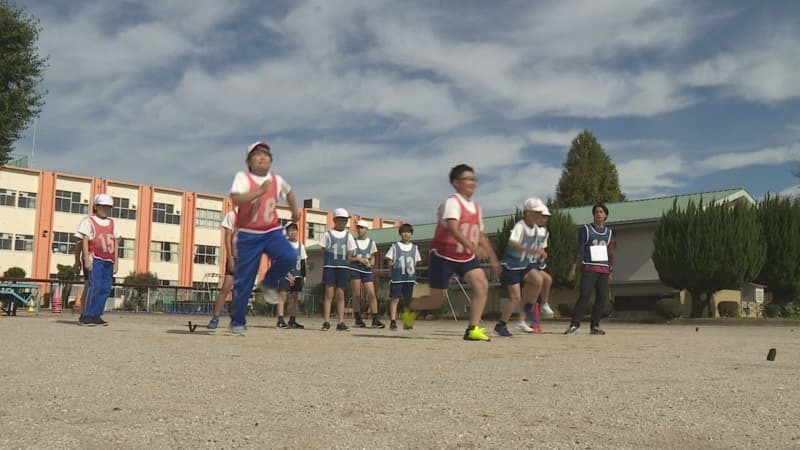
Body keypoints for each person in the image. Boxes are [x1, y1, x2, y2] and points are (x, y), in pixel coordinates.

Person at [402, 164, 501, 341]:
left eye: (474, 179)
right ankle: (411, 307)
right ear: (456, 183)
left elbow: (481, 235)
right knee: (436, 300)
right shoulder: (452, 202)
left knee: (482, 284)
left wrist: (493, 259)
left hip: (465, 257)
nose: (473, 182)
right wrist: (473, 247)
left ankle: (472, 329)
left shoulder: (477, 209)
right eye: (468, 179)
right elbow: (454, 229)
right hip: (443, 256)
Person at [228, 141, 300, 335]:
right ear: (249, 161)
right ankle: (238, 321)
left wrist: (295, 210)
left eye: (266, 154)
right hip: (248, 235)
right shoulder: (243, 178)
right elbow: (236, 199)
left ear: (271, 160)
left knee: (289, 256)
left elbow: (290, 192)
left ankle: (268, 282)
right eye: (257, 155)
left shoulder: (277, 179)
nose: (262, 157)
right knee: (244, 280)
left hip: (271, 231)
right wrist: (259, 191)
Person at [494, 198, 551, 337]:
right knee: (515, 298)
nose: (539, 215)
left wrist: (541, 252)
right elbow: (513, 243)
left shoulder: (538, 229)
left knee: (539, 280)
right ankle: (501, 325)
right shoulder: (520, 226)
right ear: (527, 213)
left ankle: (528, 309)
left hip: (524, 265)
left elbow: (539, 245)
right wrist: (532, 251)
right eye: (536, 212)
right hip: (511, 266)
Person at [564, 203, 614, 335]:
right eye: (596, 212)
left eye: (601, 212)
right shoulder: (586, 229)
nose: (599, 214)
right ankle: (575, 325)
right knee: (585, 295)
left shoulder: (609, 232)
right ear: (593, 214)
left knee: (601, 298)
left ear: (606, 215)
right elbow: (579, 249)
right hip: (589, 267)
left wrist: (610, 270)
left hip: (603, 269)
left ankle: (595, 326)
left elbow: (610, 253)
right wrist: (574, 267)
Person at [76, 193, 120, 326]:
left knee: (105, 288)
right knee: (94, 286)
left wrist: (116, 262)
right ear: (96, 206)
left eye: (108, 207)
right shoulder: (88, 221)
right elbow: (84, 241)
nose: (106, 209)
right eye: (103, 206)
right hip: (95, 258)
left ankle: (97, 314)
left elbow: (116, 243)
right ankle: (86, 315)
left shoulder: (112, 223)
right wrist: (85, 260)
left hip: (108, 260)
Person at [320, 208, 356, 331]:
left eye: (344, 220)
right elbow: (323, 249)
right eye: (339, 219)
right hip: (330, 266)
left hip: (343, 267)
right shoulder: (327, 234)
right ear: (334, 220)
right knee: (329, 294)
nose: (342, 222)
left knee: (341, 294)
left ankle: (341, 321)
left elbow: (351, 252)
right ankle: (326, 321)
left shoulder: (349, 236)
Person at [385, 223, 421, 330]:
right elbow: (389, 259)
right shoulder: (395, 246)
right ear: (400, 234)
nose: (406, 234)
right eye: (404, 232)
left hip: (409, 278)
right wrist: (390, 270)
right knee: (395, 299)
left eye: (408, 232)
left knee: (408, 300)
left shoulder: (415, 248)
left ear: (411, 234)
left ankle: (408, 321)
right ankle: (393, 321)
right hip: (397, 278)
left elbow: (416, 262)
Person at [349, 219, 384, 328]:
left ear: (366, 229)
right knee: (357, 294)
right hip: (355, 269)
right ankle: (358, 318)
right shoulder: (353, 242)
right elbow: (349, 257)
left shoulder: (371, 242)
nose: (359, 230)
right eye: (358, 227)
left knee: (372, 294)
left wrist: (371, 263)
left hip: (366, 270)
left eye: (361, 228)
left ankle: (375, 319)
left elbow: (373, 257)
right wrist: (359, 259)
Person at [207, 210, 236, 329]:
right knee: (225, 288)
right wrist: (230, 258)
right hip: (235, 257)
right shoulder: (232, 215)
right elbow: (227, 238)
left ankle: (237, 320)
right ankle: (215, 318)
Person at [276, 222, 307, 329]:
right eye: (290, 230)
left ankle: (292, 319)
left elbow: (303, 262)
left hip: (297, 275)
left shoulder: (301, 246)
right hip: (285, 274)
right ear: (287, 232)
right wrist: (288, 275)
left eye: (294, 229)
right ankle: (280, 319)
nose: (292, 232)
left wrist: (304, 276)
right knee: (282, 296)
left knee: (295, 297)